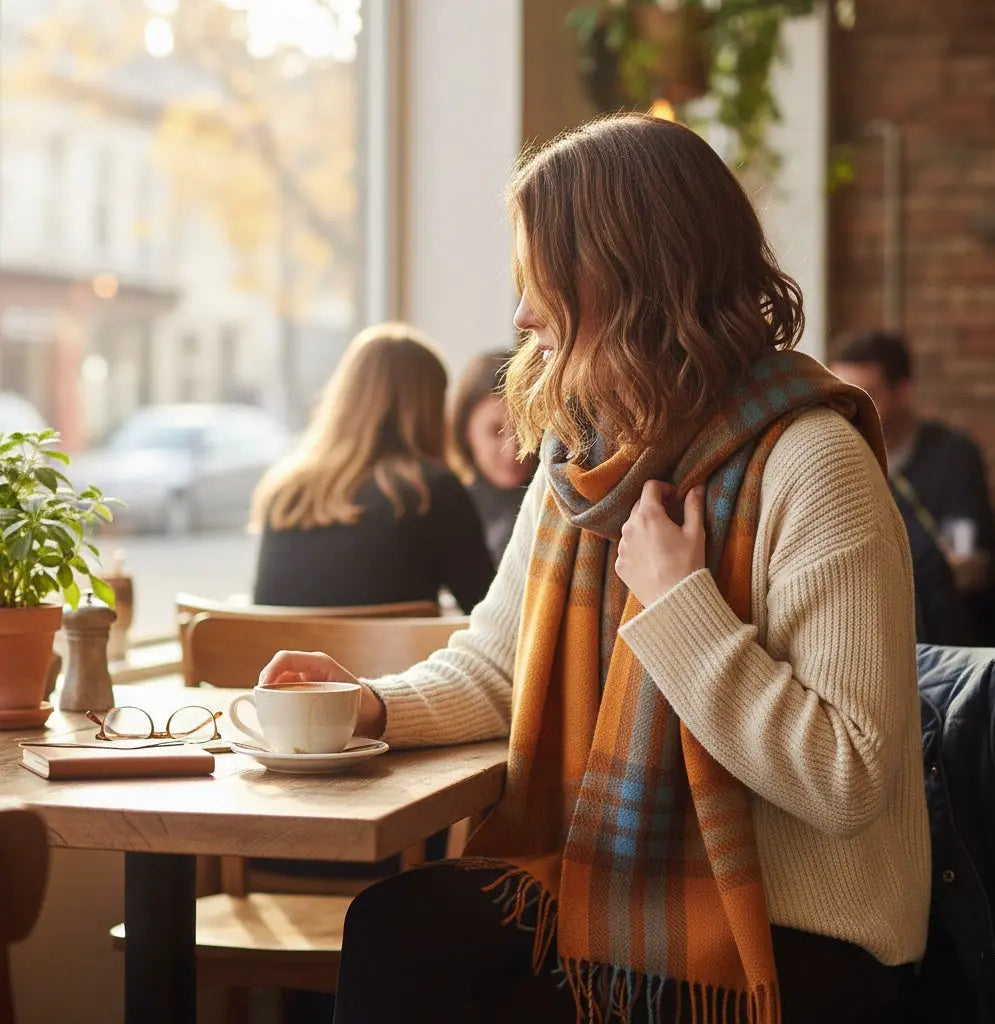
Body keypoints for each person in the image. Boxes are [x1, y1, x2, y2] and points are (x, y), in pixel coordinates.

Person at [261, 115, 930, 1024]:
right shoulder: (583, 463)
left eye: (545, 281)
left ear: (631, 278)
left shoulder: (814, 462)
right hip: (622, 897)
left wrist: (681, 604)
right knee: (397, 928)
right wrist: (368, 704)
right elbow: (496, 666)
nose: (524, 316)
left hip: (792, 939)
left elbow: (848, 780)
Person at [250, 321, 493, 614]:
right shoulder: (431, 491)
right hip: (385, 662)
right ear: (430, 406)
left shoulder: (285, 490)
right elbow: (492, 620)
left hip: (280, 660)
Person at [831, 330, 995, 645]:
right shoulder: (836, 458)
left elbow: (968, 567)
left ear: (903, 392)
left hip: (943, 641)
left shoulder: (953, 457)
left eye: (866, 396)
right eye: (840, 397)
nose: (850, 412)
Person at [450, 350, 537, 563]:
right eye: (495, 432)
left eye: (523, 430)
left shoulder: (561, 505)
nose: (512, 450)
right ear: (466, 431)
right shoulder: (447, 507)